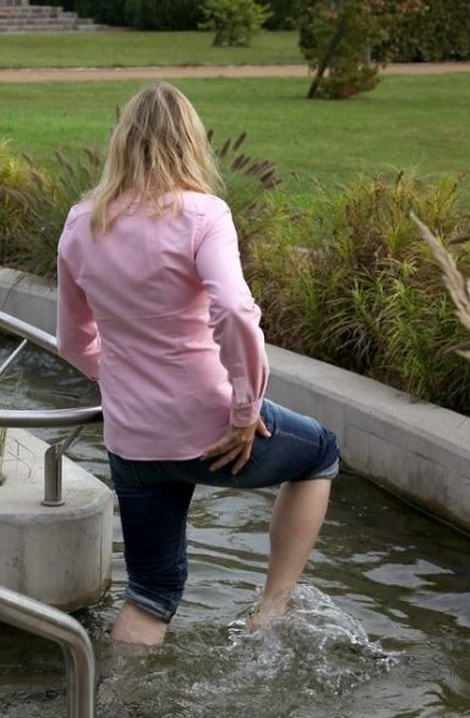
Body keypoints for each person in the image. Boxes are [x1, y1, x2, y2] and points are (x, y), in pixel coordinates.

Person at [55, 82, 338, 645]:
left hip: (132, 440)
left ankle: (116, 701)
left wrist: (115, 380)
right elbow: (234, 309)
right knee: (320, 454)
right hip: (212, 429)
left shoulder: (82, 221)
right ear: (190, 142)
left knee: (151, 596)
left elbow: (72, 341)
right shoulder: (204, 214)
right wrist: (244, 410)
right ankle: (271, 609)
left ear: (121, 143)